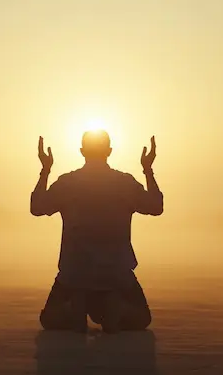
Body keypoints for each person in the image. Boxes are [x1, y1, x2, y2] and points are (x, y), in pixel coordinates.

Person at [30, 130, 164, 333]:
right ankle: (115, 308)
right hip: (117, 275)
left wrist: (45, 170)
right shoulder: (124, 183)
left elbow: (37, 207)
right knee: (141, 319)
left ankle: (75, 306)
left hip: (74, 275)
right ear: (109, 151)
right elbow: (155, 206)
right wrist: (148, 170)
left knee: (49, 320)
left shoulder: (68, 183)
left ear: (82, 151)